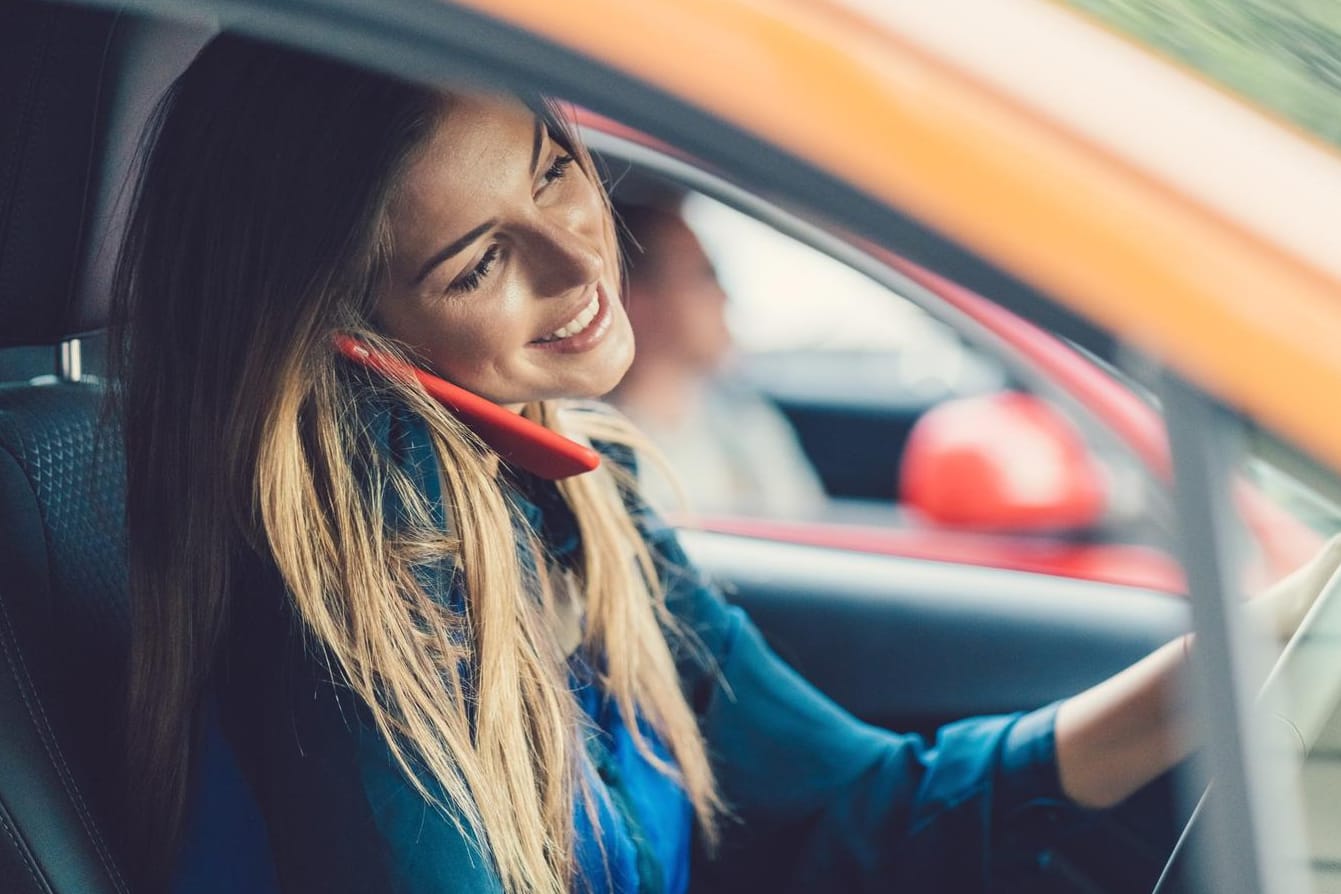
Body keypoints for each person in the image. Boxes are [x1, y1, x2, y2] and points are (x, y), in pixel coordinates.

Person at [110, 32, 1329, 894]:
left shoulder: (566, 500)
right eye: (479, 262)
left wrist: (1270, 639)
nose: (585, 264)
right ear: (347, 336)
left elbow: (855, 807)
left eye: (550, 169)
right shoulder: (360, 608)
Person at [610, 201, 826, 518]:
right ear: (637, 300)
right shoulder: (596, 444)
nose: (725, 298)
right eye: (704, 277)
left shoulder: (746, 419)